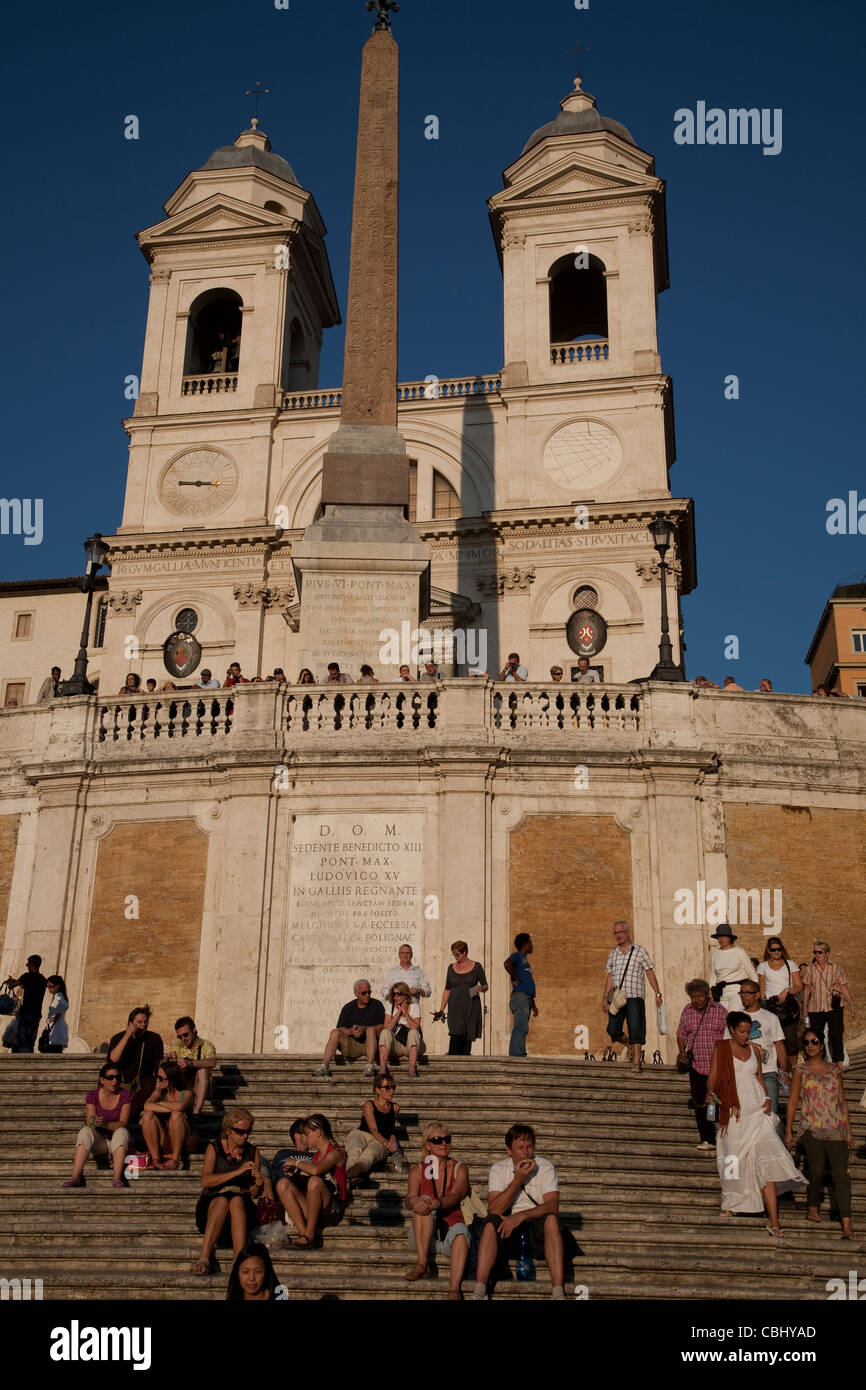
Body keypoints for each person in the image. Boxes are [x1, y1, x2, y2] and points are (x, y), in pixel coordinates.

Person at [706, 1012, 806, 1236]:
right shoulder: (720, 1048)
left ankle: (774, 1219)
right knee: (732, 1160)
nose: (745, 1035)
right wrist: (710, 1092)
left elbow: (759, 1077)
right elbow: (713, 1074)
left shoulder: (755, 1050)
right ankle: (731, 1201)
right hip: (733, 1111)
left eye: (747, 1031)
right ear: (731, 1029)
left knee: (767, 1160)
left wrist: (768, 1098)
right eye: (741, 1031)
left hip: (757, 1111)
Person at [470, 1123, 566, 1301]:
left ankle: (558, 1291)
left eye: (529, 1147)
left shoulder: (545, 1167)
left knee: (552, 1220)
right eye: (520, 1148)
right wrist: (517, 1179)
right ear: (509, 1151)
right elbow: (494, 1208)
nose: (526, 1152)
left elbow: (553, 1205)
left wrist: (521, 1215)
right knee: (490, 1223)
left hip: (536, 1226)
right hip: (506, 1229)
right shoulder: (498, 1169)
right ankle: (480, 1289)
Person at [784, 1029, 857, 1239]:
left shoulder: (835, 1070)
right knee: (816, 1171)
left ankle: (846, 1225)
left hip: (836, 1129)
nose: (810, 1045)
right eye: (806, 1043)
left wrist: (848, 1131)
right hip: (811, 1128)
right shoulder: (800, 1070)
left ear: (822, 1045)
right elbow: (793, 1102)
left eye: (814, 1041)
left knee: (841, 1177)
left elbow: (842, 1101)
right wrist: (789, 1130)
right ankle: (813, 1205)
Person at [194, 1107, 268, 1275]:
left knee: (236, 1199)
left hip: (240, 1208)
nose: (245, 1135)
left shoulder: (252, 1151)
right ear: (228, 1130)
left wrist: (258, 1184)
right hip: (213, 1206)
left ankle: (238, 1257)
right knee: (222, 1200)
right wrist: (236, 1172)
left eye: (248, 1131)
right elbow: (205, 1181)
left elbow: (254, 1193)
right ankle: (205, 1255)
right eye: (240, 1131)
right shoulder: (214, 1148)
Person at [405, 1122, 470, 1296]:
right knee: (423, 1202)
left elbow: (456, 1195)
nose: (444, 1143)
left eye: (446, 1139)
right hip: (422, 1238)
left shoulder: (459, 1168)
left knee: (462, 1231)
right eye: (437, 1140)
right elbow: (409, 1199)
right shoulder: (418, 1170)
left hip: (451, 1234)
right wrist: (416, 1201)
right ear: (428, 1145)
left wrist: (438, 1203)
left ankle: (453, 1290)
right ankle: (421, 1262)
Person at [276, 1113, 348, 1249]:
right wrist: (294, 1175)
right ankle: (304, 1233)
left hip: (333, 1211)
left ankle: (309, 1235)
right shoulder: (316, 1156)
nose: (305, 1139)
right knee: (283, 1184)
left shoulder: (335, 1153)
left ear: (318, 1132)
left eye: (307, 1134)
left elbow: (316, 1171)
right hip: (315, 1208)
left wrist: (295, 1162)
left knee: (315, 1181)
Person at [675, 979, 728, 1150]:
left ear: (707, 995)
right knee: (699, 1102)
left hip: (717, 1066)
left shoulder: (719, 1011)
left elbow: (728, 1035)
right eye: (693, 997)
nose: (696, 1000)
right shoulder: (687, 1011)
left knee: (717, 1101)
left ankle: (721, 1136)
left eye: (699, 996)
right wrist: (682, 1051)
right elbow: (681, 1033)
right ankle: (707, 1138)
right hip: (697, 1066)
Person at [602, 921, 663, 1068]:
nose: (618, 935)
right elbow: (609, 976)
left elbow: (649, 972)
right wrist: (605, 998)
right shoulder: (613, 954)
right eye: (616, 933)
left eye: (621, 932)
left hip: (635, 997)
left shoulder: (640, 951)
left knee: (636, 1027)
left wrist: (658, 993)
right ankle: (628, 1045)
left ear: (628, 932)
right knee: (612, 1029)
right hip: (617, 998)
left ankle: (636, 1062)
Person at [63, 1061, 133, 1189]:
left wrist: (106, 1125)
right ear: (102, 1080)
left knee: (121, 1131)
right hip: (100, 1142)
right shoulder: (93, 1095)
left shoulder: (125, 1095)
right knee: (85, 1131)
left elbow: (124, 1122)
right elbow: (90, 1120)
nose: (114, 1081)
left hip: (117, 1142)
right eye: (110, 1077)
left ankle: (117, 1178)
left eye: (117, 1077)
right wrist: (93, 1121)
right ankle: (75, 1177)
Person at [312, 981, 385, 1078]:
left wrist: (364, 1029)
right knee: (335, 1032)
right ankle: (324, 1066)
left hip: (371, 1043)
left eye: (369, 992)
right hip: (352, 1046)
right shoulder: (348, 1008)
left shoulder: (377, 1005)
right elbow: (341, 1028)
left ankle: (369, 1066)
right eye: (364, 993)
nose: (367, 995)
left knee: (371, 1030)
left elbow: (382, 1026)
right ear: (356, 994)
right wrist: (352, 1031)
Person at [738, 982, 789, 1117]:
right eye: (741, 993)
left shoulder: (770, 1017)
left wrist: (784, 1071)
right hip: (745, 1074)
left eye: (747, 993)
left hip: (768, 1072)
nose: (743, 996)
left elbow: (779, 1045)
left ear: (758, 995)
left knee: (771, 1115)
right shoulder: (736, 1018)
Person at [802, 940, 856, 1064]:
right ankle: (820, 1061)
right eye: (815, 952)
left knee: (836, 1034)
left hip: (833, 1006)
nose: (817, 954)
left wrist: (852, 1004)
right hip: (815, 1007)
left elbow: (843, 987)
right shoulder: (810, 969)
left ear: (827, 954)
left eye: (819, 952)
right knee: (816, 1036)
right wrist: (804, 1007)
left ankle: (839, 1063)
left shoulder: (836, 968)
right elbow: (807, 988)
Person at [107, 1006, 164, 1119]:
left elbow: (159, 1064)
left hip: (145, 1084)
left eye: (145, 1021)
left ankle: (129, 1114)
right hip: (124, 1082)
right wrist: (127, 1035)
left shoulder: (154, 1038)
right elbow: (113, 1060)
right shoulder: (117, 1038)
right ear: (130, 1023)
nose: (143, 1025)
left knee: (156, 1080)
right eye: (139, 1022)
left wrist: (166, 1061)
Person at [345, 1073, 403, 1180]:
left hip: (380, 1140)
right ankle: (352, 1175)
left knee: (371, 1152)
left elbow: (390, 1127)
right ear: (377, 1090)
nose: (392, 1091)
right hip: (363, 1133)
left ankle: (357, 1170)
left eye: (393, 1087)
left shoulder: (395, 1107)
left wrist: (391, 1139)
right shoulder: (369, 1104)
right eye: (387, 1087)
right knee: (355, 1148)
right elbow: (373, 1129)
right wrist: (386, 1142)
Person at [140, 1060, 195, 1170]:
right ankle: (156, 1160)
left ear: (171, 1080)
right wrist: (170, 1107)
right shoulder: (159, 1091)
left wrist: (161, 1104)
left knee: (176, 1115)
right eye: (157, 1076)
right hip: (165, 1139)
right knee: (147, 1115)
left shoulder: (187, 1093)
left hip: (184, 1141)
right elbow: (147, 1105)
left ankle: (175, 1160)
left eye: (161, 1078)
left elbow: (180, 1107)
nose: (157, 1080)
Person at [439, 942, 488, 1055]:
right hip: (455, 1008)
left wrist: (481, 988)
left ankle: (464, 1064)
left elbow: (485, 985)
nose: (456, 957)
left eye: (457, 954)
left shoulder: (477, 967)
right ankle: (452, 1061)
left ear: (464, 952)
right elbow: (447, 989)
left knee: (467, 1037)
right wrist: (441, 1009)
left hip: (471, 1005)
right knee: (455, 1034)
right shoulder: (451, 968)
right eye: (454, 955)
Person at [758, 938, 802, 1060]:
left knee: (791, 1042)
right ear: (768, 951)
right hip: (771, 1008)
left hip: (787, 1007)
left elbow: (799, 986)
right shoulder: (762, 966)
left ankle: (793, 1071)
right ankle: (778, 1070)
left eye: (779, 949)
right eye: (773, 950)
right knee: (773, 1041)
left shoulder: (790, 964)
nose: (776, 952)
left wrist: (787, 991)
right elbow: (762, 991)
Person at [166, 1016, 217, 1115]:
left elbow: (212, 1062)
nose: (183, 1039)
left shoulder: (206, 1045)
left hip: (203, 1085)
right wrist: (168, 1059)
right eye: (180, 1036)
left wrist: (190, 1063)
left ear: (194, 1030)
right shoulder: (177, 1046)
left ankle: (197, 1111)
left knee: (202, 1070)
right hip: (185, 1085)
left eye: (185, 1035)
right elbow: (162, 1065)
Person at [708, 924, 758, 1011]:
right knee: (722, 1020)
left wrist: (756, 992)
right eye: (720, 936)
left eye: (725, 936)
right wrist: (710, 991)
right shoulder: (715, 953)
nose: (722, 939)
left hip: (737, 991)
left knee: (733, 1017)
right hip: (721, 992)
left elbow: (752, 973)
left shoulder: (739, 952)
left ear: (730, 938)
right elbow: (713, 975)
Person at [3, 954, 47, 1054]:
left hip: (26, 1013)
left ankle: (21, 1065)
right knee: (30, 1042)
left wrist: (10, 982)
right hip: (36, 1015)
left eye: (28, 964)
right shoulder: (43, 980)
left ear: (32, 965)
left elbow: (12, 986)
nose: (27, 966)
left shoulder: (26, 976)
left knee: (22, 1041)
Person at [378, 984, 425, 1076]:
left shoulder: (414, 1006)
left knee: (413, 1032)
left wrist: (406, 1013)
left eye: (398, 994)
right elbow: (387, 1027)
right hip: (397, 1045)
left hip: (412, 1045)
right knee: (385, 1032)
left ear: (406, 995)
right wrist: (398, 1013)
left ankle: (412, 1068)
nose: (396, 997)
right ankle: (383, 1068)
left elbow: (416, 1027)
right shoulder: (390, 1007)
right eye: (394, 994)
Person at [504, 932, 538, 1058]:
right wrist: (515, 977)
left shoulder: (526, 963)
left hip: (526, 998)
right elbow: (507, 964)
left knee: (523, 1026)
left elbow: (528, 983)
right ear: (525, 944)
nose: (532, 945)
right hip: (520, 997)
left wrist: (533, 1004)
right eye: (530, 943)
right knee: (521, 1026)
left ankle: (518, 1052)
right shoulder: (517, 956)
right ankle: (517, 1054)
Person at [43, 975, 69, 1053]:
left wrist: (54, 1017)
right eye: (48, 986)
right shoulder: (58, 996)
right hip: (57, 1028)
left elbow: (65, 1006)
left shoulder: (58, 995)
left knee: (53, 1051)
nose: (49, 989)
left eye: (51, 986)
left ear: (57, 986)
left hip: (56, 1029)